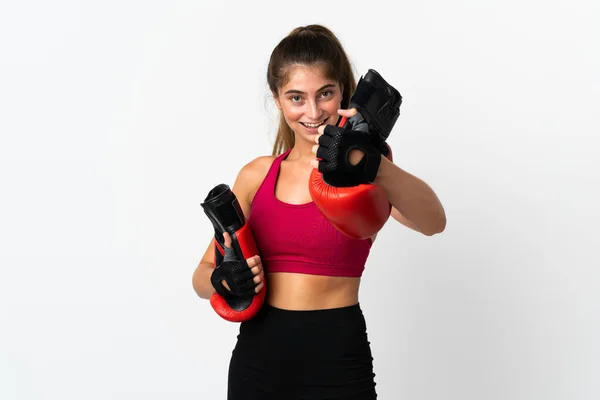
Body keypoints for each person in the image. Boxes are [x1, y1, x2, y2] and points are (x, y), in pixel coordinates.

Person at [192, 24, 446, 400]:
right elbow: (201, 275)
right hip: (257, 362)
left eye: (325, 94)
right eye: (297, 97)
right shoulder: (256, 175)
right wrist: (224, 282)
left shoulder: (363, 175)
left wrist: (375, 164)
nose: (313, 112)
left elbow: (434, 223)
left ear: (343, 91)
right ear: (277, 100)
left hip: (337, 361)